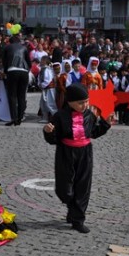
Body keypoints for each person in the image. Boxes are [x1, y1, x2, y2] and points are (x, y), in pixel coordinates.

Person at [43, 83, 113, 233]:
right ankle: (72, 206)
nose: (85, 105)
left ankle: (78, 219)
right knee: (64, 188)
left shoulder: (90, 115)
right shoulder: (59, 116)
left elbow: (93, 132)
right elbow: (53, 139)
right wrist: (48, 132)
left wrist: (106, 124)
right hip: (66, 152)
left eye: (87, 101)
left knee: (83, 186)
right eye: (81, 103)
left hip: (85, 152)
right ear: (70, 102)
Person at [2, 35, 31, 126]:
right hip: (24, 71)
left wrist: (6, 71)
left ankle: (13, 118)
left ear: (10, 42)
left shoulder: (7, 47)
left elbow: (4, 61)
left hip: (12, 70)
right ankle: (20, 118)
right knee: (21, 96)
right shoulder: (24, 48)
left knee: (12, 96)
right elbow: (28, 61)